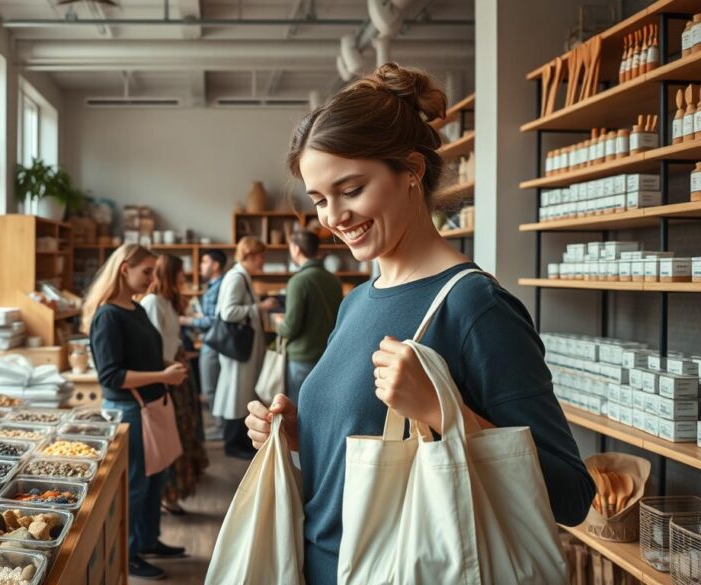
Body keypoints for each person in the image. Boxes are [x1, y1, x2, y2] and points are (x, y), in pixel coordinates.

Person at [244, 63, 594, 584]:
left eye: (351, 189)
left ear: (410, 170)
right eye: (319, 200)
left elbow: (571, 495)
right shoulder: (356, 302)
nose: (333, 216)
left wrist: (444, 412)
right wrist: (303, 435)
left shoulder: (474, 306)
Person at [83, 244, 189, 580]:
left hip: (150, 406)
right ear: (124, 268)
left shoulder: (137, 308)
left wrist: (165, 364)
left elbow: (144, 356)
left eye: (154, 272)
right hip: (128, 410)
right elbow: (111, 377)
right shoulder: (107, 316)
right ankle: (129, 554)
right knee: (136, 484)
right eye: (146, 272)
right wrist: (162, 376)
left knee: (156, 478)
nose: (152, 279)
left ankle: (147, 541)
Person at [141, 255, 209, 516]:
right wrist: (169, 370)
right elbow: (153, 347)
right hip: (166, 374)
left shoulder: (167, 301)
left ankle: (174, 492)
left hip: (176, 369)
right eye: (181, 272)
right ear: (170, 273)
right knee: (172, 436)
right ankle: (167, 495)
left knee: (182, 431)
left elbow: (171, 339)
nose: (184, 276)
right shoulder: (152, 302)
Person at [213, 236, 278, 459]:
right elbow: (228, 312)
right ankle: (233, 444)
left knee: (240, 392)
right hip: (240, 348)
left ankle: (238, 441)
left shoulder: (240, 276)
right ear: (249, 255)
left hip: (242, 347)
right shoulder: (237, 277)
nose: (263, 260)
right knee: (236, 393)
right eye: (260, 255)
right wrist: (259, 307)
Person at [278, 229, 343, 404]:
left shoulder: (298, 281)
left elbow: (290, 327)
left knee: (298, 409)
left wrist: (278, 323)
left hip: (302, 358)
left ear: (296, 249)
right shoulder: (334, 280)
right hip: (327, 355)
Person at [180, 249, 226, 440]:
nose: (200, 266)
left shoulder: (218, 287)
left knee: (211, 389)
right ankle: (220, 426)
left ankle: (220, 429)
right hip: (212, 341)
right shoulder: (213, 285)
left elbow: (213, 320)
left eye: (204, 262)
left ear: (215, 265)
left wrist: (186, 320)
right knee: (212, 388)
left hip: (213, 342)